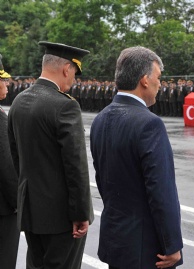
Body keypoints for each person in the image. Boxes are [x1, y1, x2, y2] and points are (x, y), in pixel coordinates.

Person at [90, 46, 183, 269]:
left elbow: (103, 182)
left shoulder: (100, 119)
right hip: (144, 246)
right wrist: (172, 244)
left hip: (116, 238)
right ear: (144, 80)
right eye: (158, 78)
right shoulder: (149, 123)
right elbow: (161, 190)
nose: (160, 84)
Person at [8, 41, 94, 269]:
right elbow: (76, 166)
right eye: (74, 73)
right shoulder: (65, 106)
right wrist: (81, 213)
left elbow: (16, 157)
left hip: (32, 211)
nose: (73, 80)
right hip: (61, 217)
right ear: (67, 68)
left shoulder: (18, 101)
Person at [0, 55, 20, 269]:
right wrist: (19, 203)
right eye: (2, 79)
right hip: (3, 211)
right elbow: (8, 167)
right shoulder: (0, 119)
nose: (6, 83)